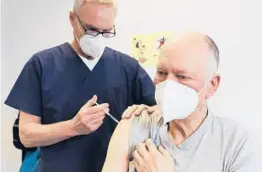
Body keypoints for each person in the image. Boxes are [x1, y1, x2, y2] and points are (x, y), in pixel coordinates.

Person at [4, 0, 156, 172]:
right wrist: (73, 127)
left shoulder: (128, 68)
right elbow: (26, 136)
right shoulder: (42, 65)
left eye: (106, 32)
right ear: (72, 19)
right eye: (91, 30)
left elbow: (157, 117)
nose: (98, 38)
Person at [102, 32, 257, 172]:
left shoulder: (236, 142)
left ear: (212, 84)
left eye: (182, 76)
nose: (168, 85)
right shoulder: (135, 124)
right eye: (161, 73)